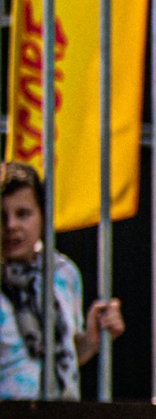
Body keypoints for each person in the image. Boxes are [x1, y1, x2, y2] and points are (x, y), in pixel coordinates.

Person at [0, 162, 121, 400]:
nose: (11, 225)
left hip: (60, 415)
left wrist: (92, 339)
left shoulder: (63, 274)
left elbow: (63, 357)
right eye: (1, 216)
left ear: (42, 216)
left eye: (23, 214)